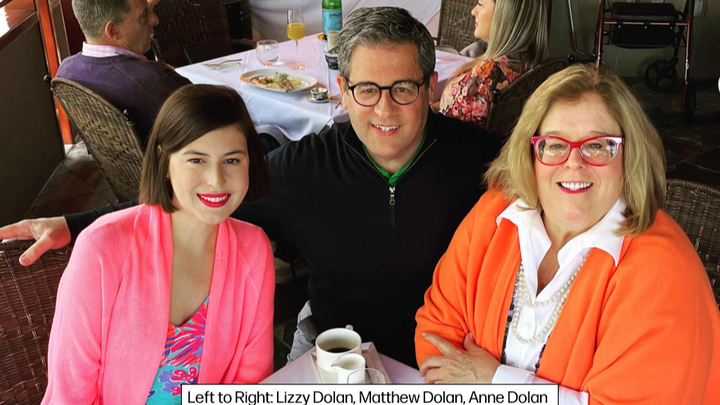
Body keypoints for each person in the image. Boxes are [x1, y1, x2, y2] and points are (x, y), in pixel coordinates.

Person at [1, 7, 502, 367]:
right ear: (344, 91)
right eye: (367, 90)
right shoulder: (306, 167)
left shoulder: (478, 161)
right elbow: (193, 200)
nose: (384, 109)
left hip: (444, 358)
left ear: (430, 87)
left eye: (403, 88)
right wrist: (73, 223)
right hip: (334, 351)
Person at [415, 65, 720, 403]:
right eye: (554, 144)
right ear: (532, 153)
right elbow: (436, 336)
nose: (574, 162)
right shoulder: (495, 215)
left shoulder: (663, 271)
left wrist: (494, 380)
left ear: (629, 156)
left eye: (598, 145)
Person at [41, 84, 274, 404]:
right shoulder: (100, 250)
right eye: (197, 160)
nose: (216, 180)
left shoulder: (254, 250)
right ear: (164, 162)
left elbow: (252, 382)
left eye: (231, 160)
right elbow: (70, 395)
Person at [57, 0, 190, 145]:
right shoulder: (155, 82)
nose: (154, 19)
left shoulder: (66, 71)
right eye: (144, 15)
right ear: (113, 30)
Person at [436, 0, 548, 127]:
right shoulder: (531, 64)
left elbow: (449, 122)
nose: (473, 11)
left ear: (504, 16)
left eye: (480, 4)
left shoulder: (486, 74)